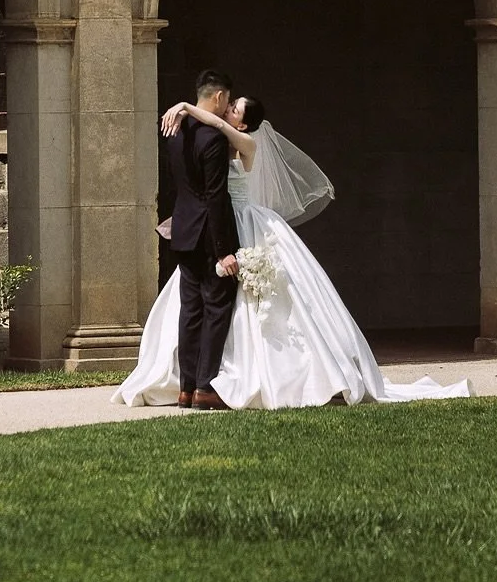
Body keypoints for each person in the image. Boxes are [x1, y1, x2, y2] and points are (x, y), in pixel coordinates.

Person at [114, 89, 471, 409]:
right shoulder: (215, 142)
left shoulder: (244, 143)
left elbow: (217, 128)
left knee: (259, 298)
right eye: (230, 104)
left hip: (243, 223)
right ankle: (196, 380)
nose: (228, 110)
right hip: (216, 226)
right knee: (200, 300)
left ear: (245, 121)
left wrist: (187, 107)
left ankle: (243, 377)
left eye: (234, 108)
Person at [162, 68, 241, 411]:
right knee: (216, 308)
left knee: (190, 311)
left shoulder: (174, 131)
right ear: (220, 97)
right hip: (209, 236)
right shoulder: (214, 138)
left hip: (182, 230)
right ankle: (206, 388)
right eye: (226, 102)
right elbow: (216, 197)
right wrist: (224, 252)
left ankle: (186, 387)